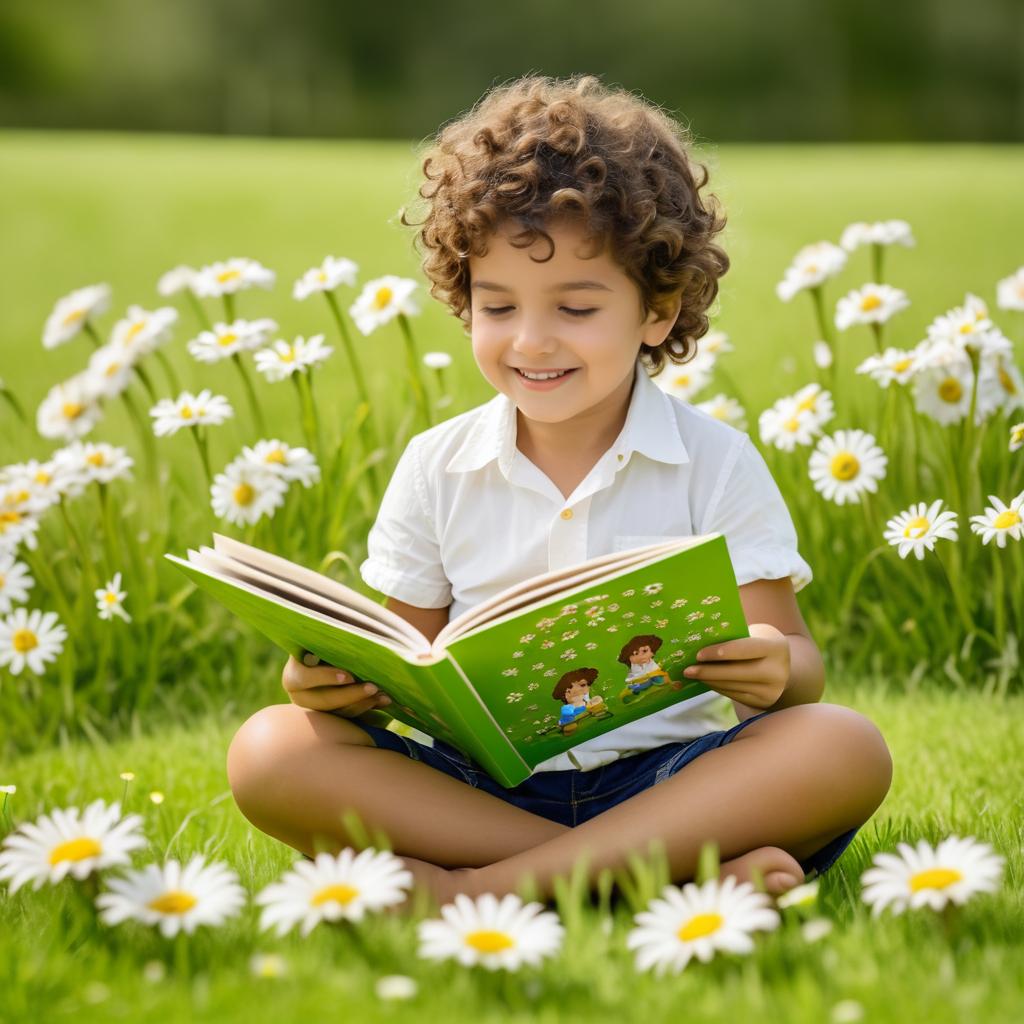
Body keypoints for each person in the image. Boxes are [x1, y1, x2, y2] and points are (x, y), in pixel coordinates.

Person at [226, 73, 893, 910]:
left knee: (842, 746)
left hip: (669, 785)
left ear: (657, 310)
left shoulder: (714, 461)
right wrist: (323, 685)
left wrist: (771, 670)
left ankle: (481, 892)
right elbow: (401, 658)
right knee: (271, 750)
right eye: (497, 305)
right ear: (464, 299)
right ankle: (651, 880)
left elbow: (800, 671)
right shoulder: (439, 466)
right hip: (479, 793)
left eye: (576, 308)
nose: (531, 341)